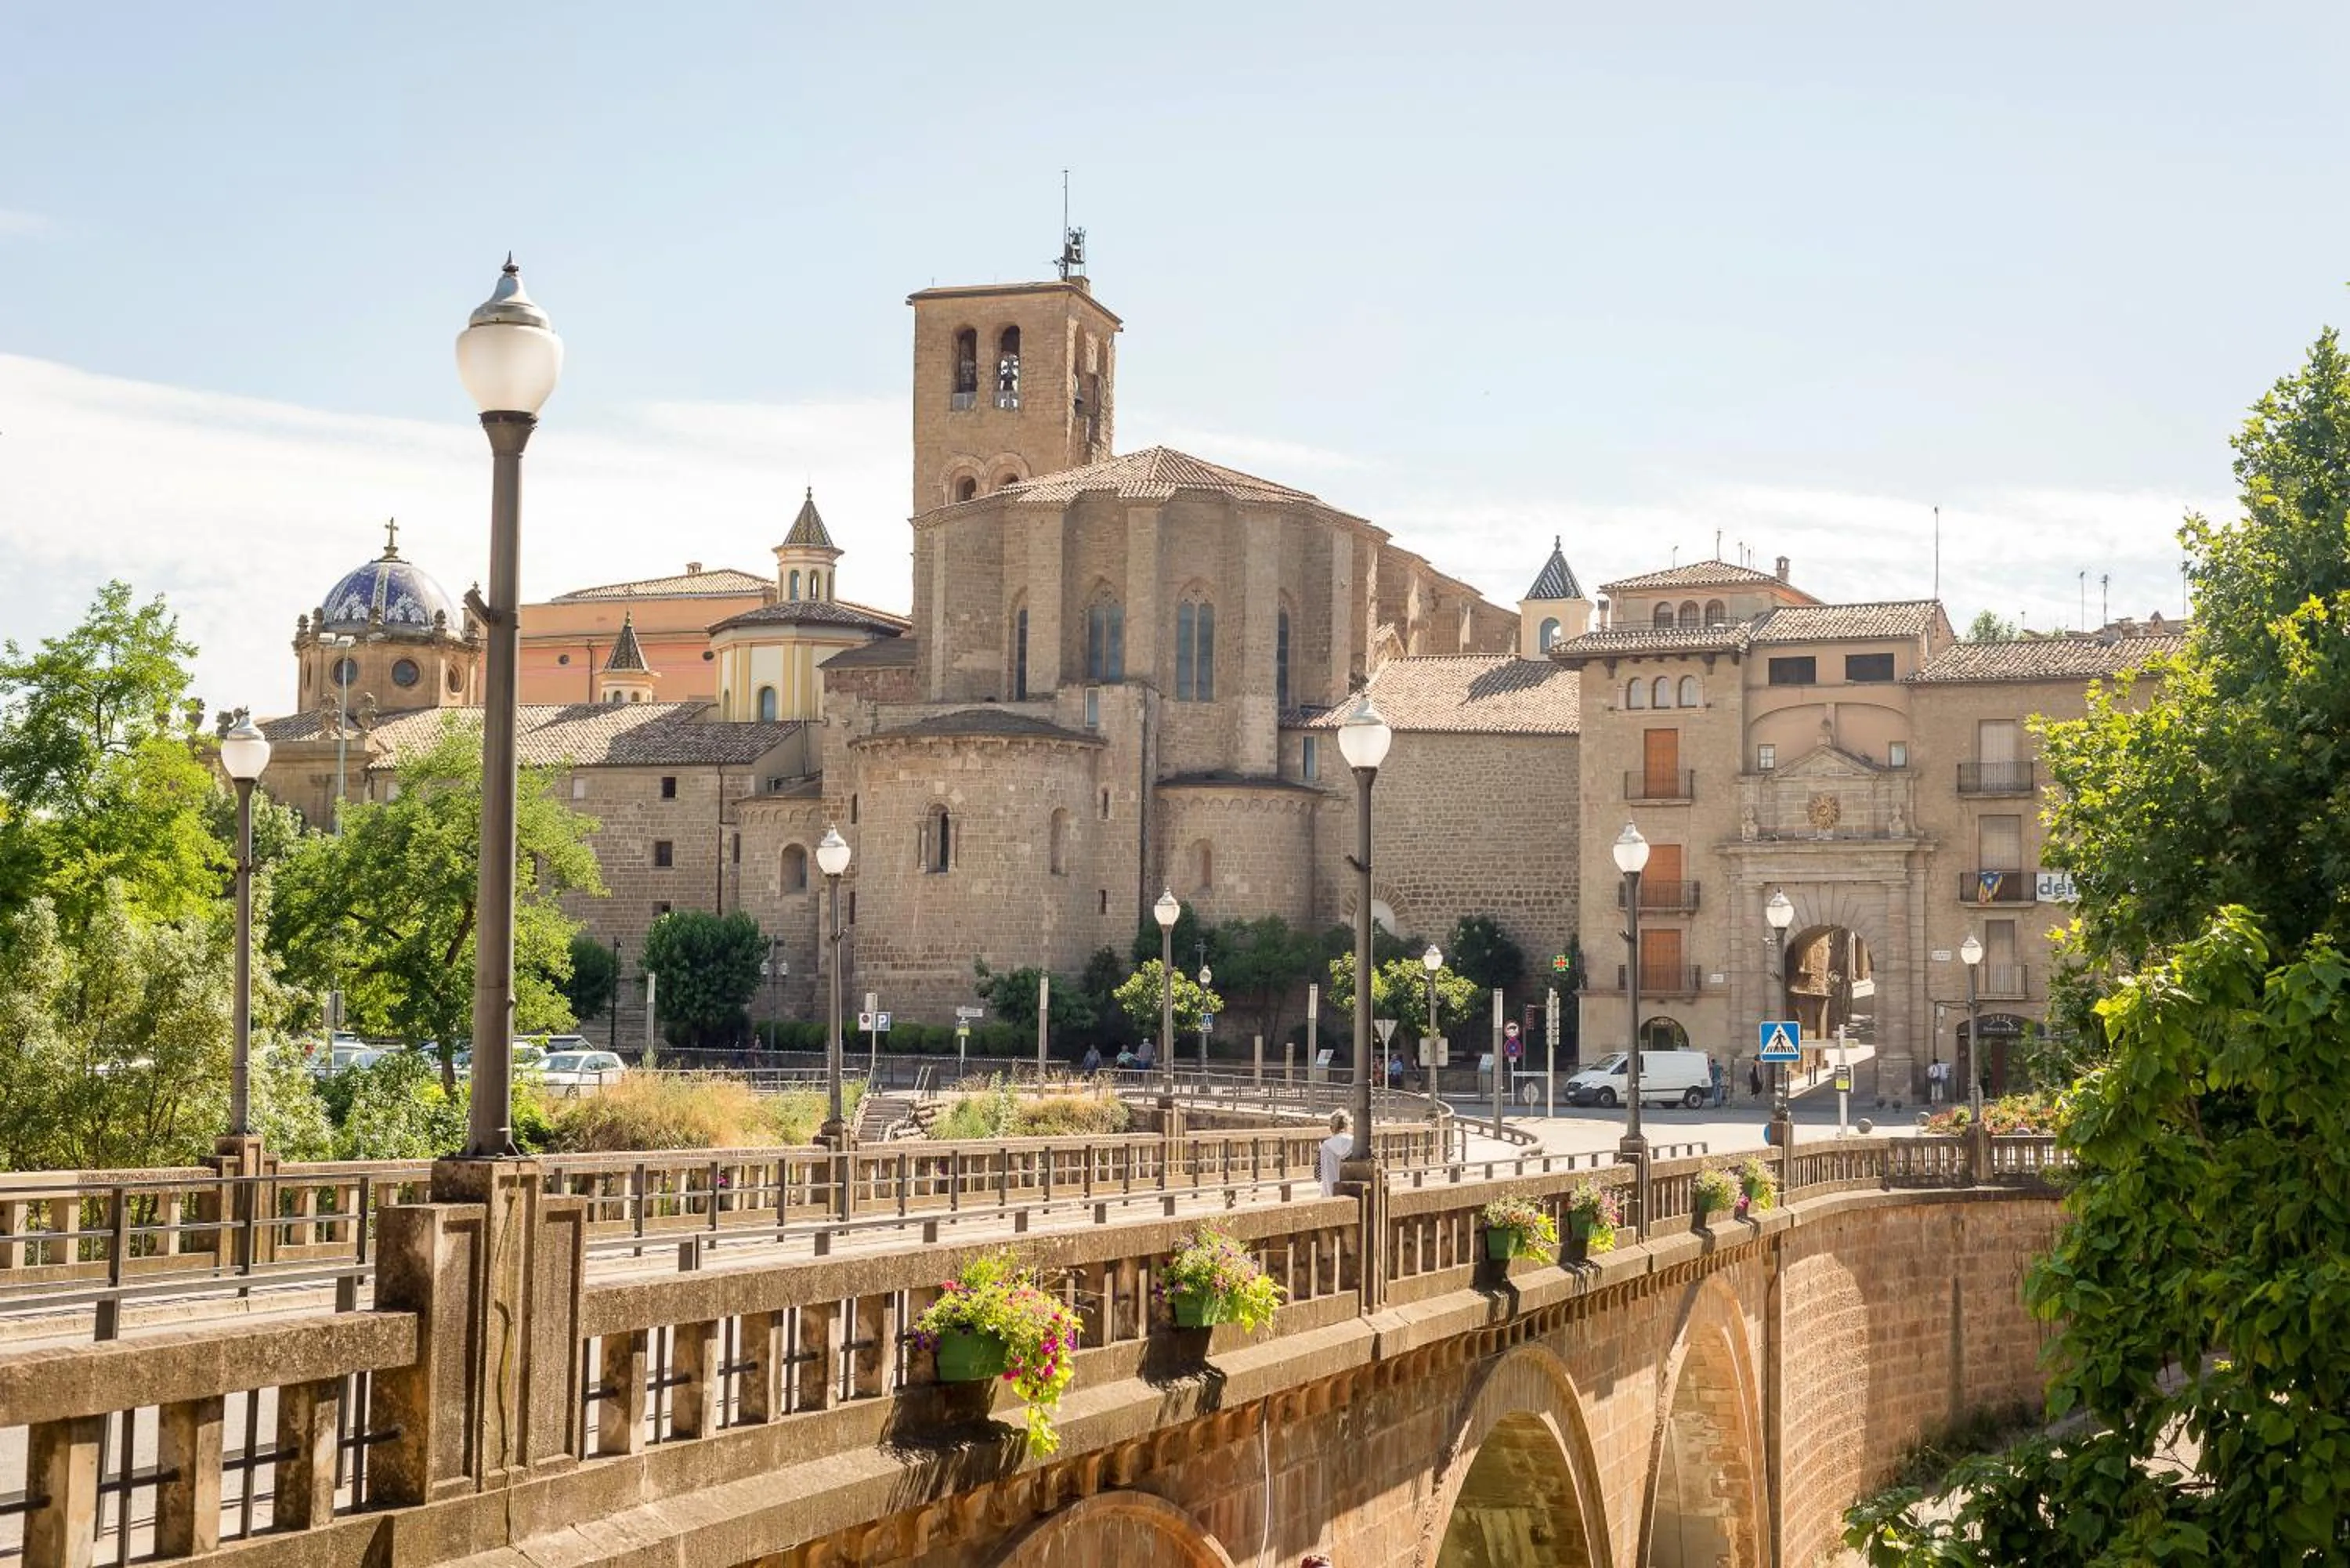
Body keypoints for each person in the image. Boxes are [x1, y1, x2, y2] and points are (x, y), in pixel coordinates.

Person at [1318, 1111, 1351, 1195]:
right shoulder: (1355, 1142)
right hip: (1352, 1191)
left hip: (1329, 1192)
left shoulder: (1326, 1146)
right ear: (1347, 1126)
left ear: (1331, 1128)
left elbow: (1321, 1175)